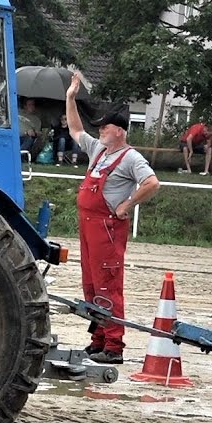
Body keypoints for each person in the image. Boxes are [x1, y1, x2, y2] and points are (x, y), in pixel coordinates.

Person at [65, 74, 161, 364]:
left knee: (108, 286)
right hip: (88, 226)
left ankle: (114, 346)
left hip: (107, 229)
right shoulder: (99, 150)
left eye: (105, 127)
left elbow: (152, 183)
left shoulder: (131, 158)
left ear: (119, 131)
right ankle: (97, 340)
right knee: (92, 285)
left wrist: (127, 204)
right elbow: (75, 129)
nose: (100, 131)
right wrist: (70, 98)